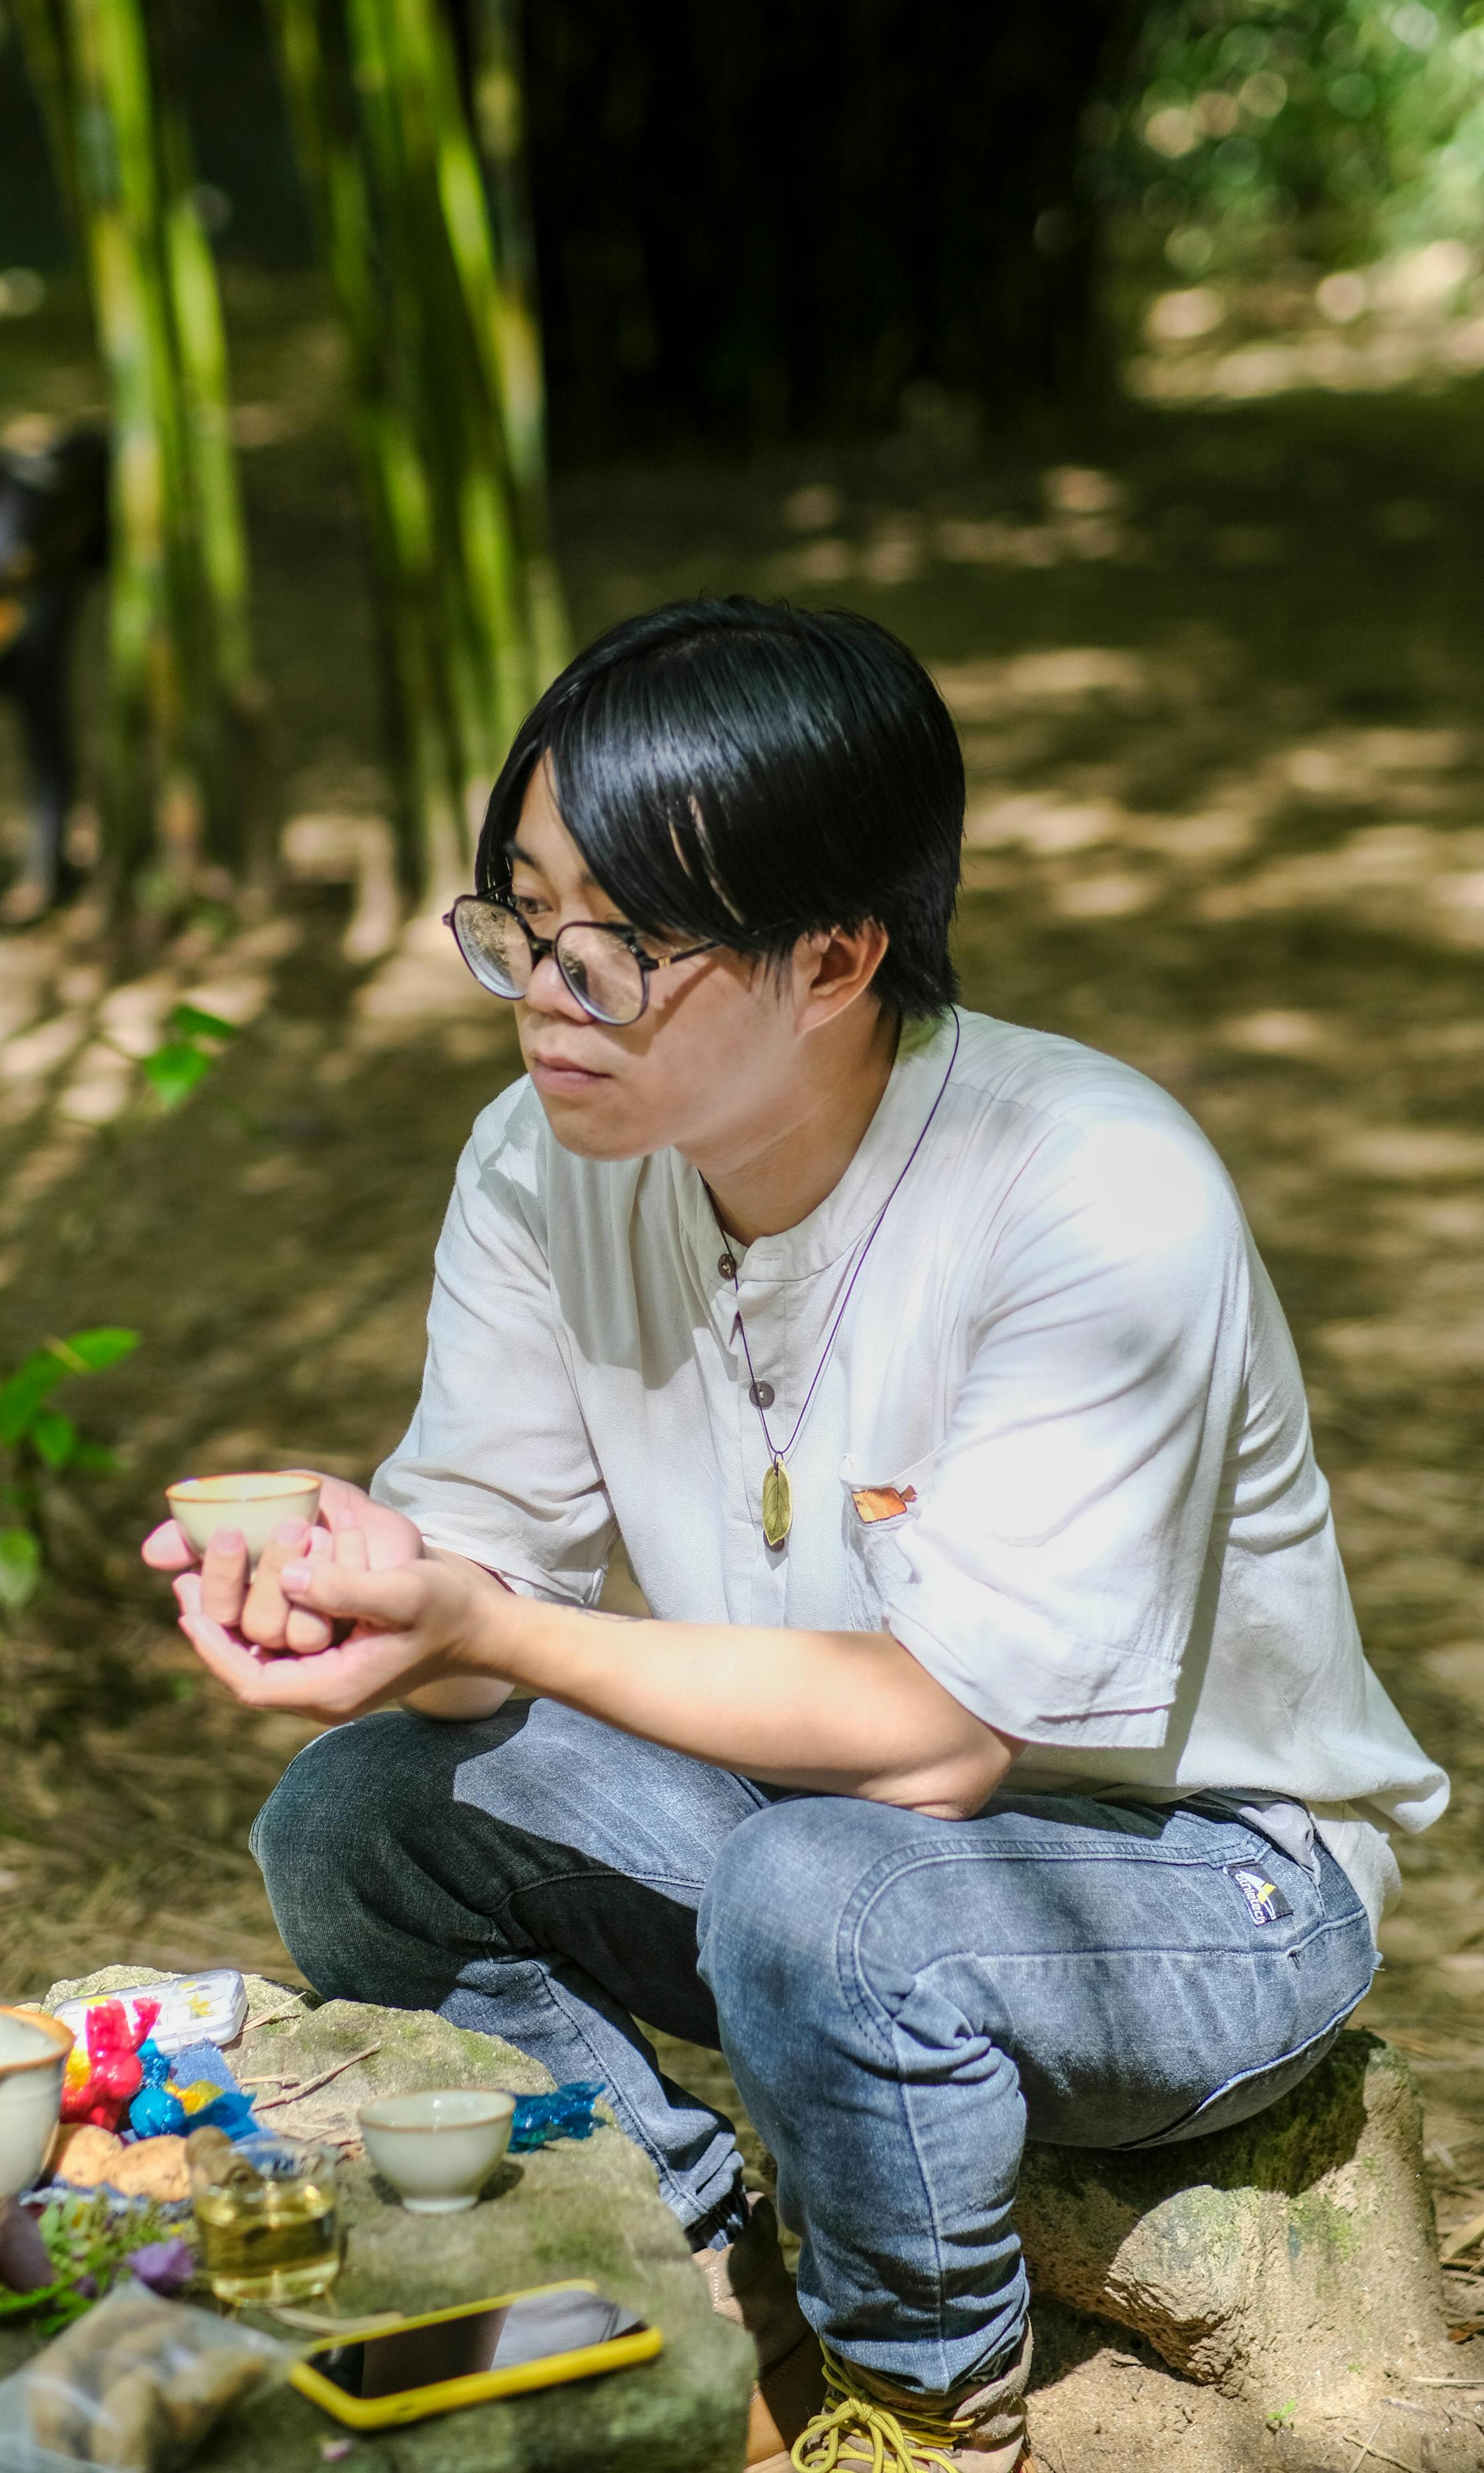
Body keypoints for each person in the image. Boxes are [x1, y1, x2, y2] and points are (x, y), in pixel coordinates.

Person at [146, 597, 1446, 2473]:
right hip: (810, 1839)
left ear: (832, 954)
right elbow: (476, 1580)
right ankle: (706, 2309)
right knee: (357, 1820)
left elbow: (937, 1736)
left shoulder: (1089, 1190)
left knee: (826, 1895)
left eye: (617, 948)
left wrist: (484, 1630)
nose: (541, 991)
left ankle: (925, 2412)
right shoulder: (537, 1165)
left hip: (1196, 1882)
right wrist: (368, 1612)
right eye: (519, 914)